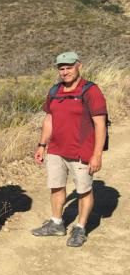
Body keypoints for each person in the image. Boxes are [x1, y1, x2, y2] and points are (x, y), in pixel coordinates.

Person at [32, 51, 108, 247]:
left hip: (82, 151)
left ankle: (80, 228)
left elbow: (100, 124)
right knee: (56, 185)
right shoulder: (54, 91)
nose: (65, 72)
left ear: (79, 66)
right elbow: (49, 118)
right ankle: (57, 223)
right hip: (56, 149)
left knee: (83, 189)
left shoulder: (91, 91)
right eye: (61, 68)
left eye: (68, 67)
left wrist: (97, 155)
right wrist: (42, 145)